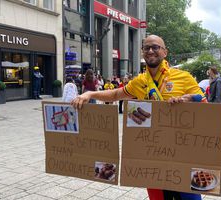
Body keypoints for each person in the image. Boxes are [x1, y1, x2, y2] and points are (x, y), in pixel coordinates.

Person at [72, 35, 202, 200]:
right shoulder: (139, 82)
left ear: (165, 52)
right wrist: (90, 93)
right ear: (142, 52)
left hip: (181, 153)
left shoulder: (183, 77)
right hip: (151, 154)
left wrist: (190, 99)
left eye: (155, 47)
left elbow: (204, 101)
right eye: (146, 48)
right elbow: (115, 94)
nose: (150, 51)